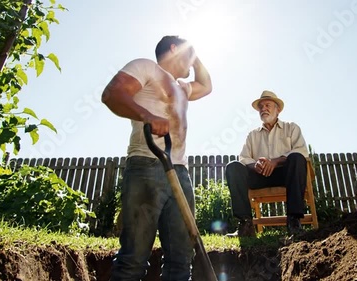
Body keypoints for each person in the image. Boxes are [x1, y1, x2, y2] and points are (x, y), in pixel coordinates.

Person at [101, 35, 212, 281]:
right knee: (134, 258)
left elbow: (206, 85)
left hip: (180, 172)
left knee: (181, 261)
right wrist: (147, 115)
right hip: (146, 164)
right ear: (174, 49)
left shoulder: (183, 88)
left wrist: (194, 57)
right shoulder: (146, 67)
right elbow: (112, 94)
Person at [226, 90, 309, 237]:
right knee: (233, 167)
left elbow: (302, 151)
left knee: (296, 157)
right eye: (261, 107)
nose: (263, 109)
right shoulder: (253, 135)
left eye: (267, 105)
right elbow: (244, 158)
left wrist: (275, 161)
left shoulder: (291, 128)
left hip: (285, 175)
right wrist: (256, 165)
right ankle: (245, 224)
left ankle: (294, 221)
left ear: (277, 110)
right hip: (260, 175)